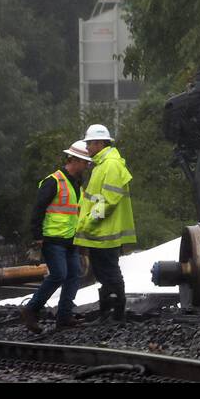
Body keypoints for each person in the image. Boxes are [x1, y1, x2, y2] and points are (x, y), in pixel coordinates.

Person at [21, 141, 93, 333]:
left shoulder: (77, 185)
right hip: (52, 240)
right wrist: (37, 236)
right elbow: (38, 209)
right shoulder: (54, 181)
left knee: (74, 275)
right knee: (59, 274)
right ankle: (31, 309)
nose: (88, 165)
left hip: (70, 240)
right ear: (74, 160)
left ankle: (64, 317)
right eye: (85, 162)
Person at [73, 124, 135, 322]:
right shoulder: (103, 164)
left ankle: (116, 314)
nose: (88, 148)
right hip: (100, 233)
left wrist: (90, 222)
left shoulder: (111, 165)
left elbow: (108, 200)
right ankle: (108, 313)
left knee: (109, 272)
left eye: (90, 143)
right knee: (103, 272)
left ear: (100, 143)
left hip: (104, 232)